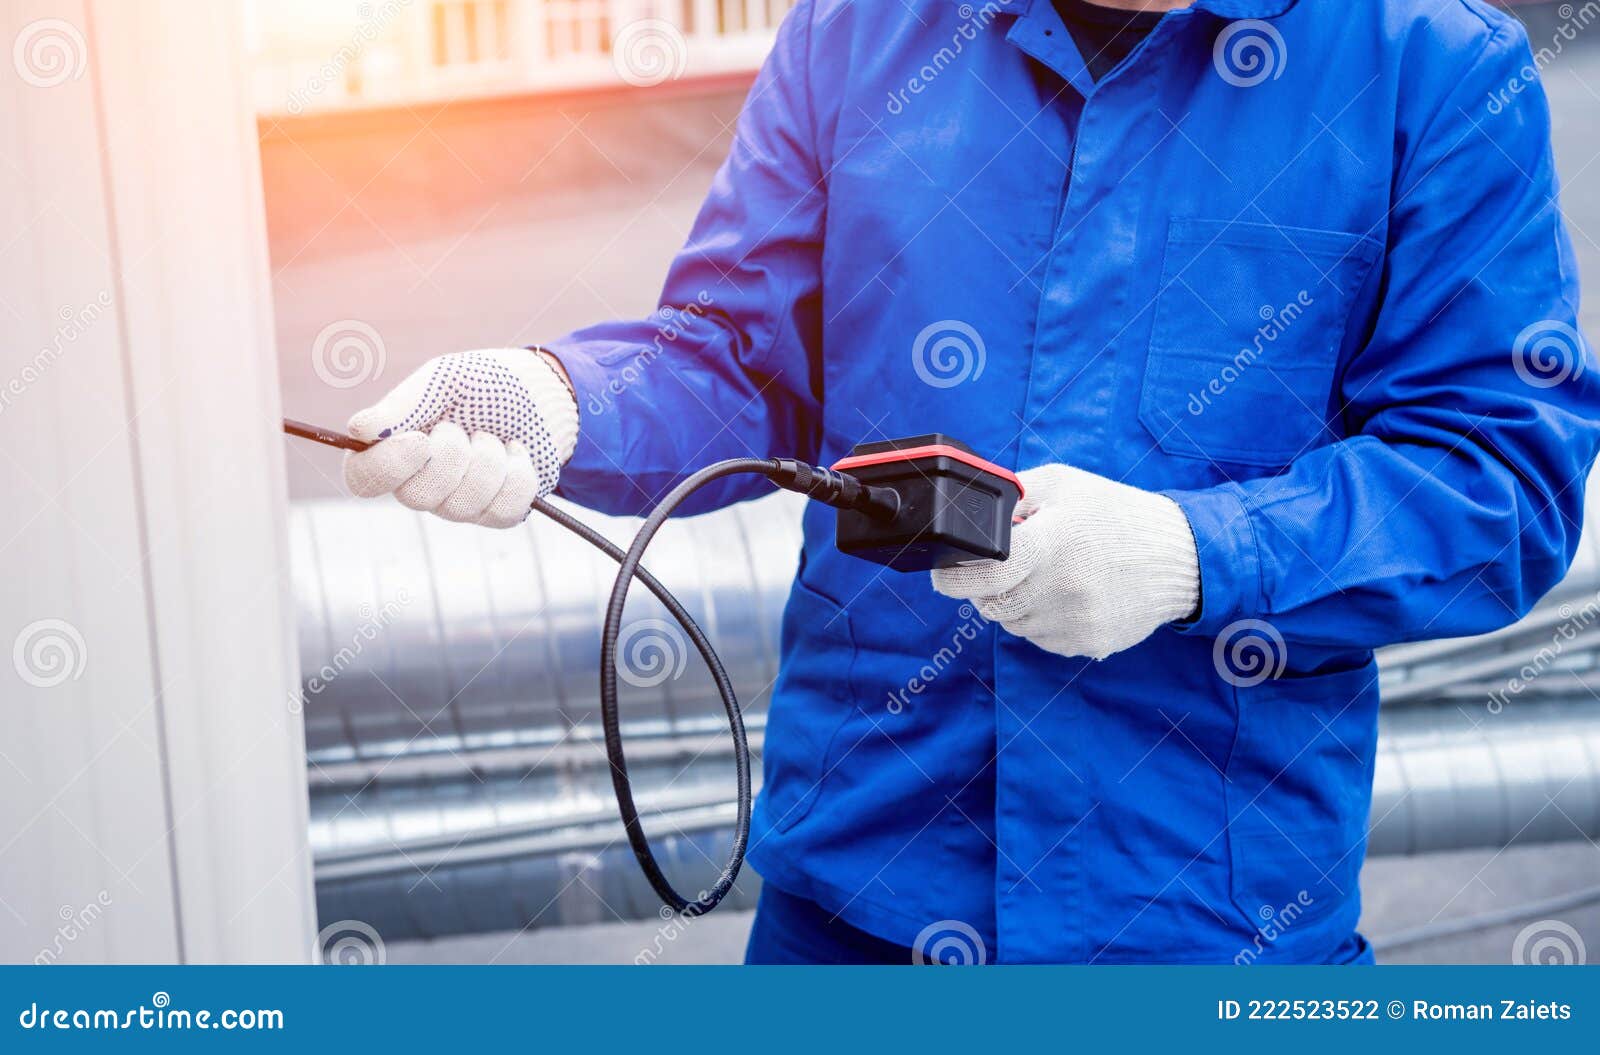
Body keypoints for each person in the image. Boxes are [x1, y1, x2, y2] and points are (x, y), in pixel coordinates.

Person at [340, 0, 1600, 963]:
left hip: (1201, 923)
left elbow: (1495, 471)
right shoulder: (864, 31)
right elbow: (737, 353)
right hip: (856, 902)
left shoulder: (1423, 66)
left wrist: (1194, 556)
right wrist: (555, 400)